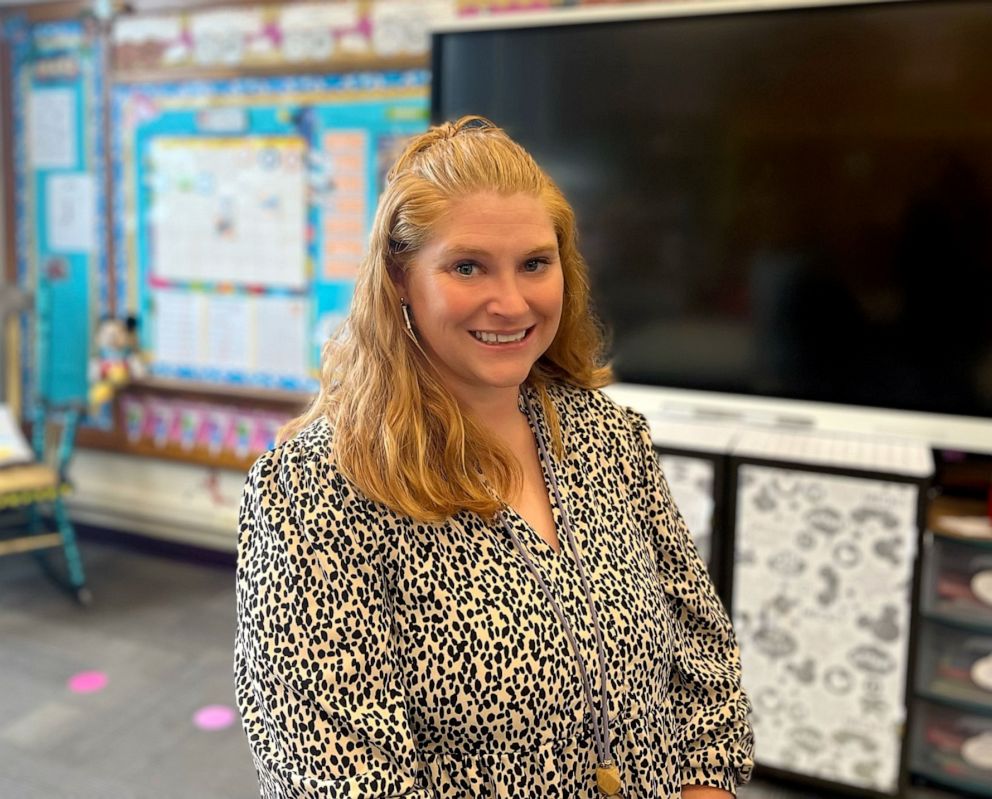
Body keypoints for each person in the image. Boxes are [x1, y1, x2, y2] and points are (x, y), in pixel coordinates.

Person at [234, 116, 754, 798]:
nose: (510, 302)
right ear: (399, 279)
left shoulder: (608, 436)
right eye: (467, 266)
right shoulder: (315, 494)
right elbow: (339, 778)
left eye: (534, 264)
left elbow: (702, 663)